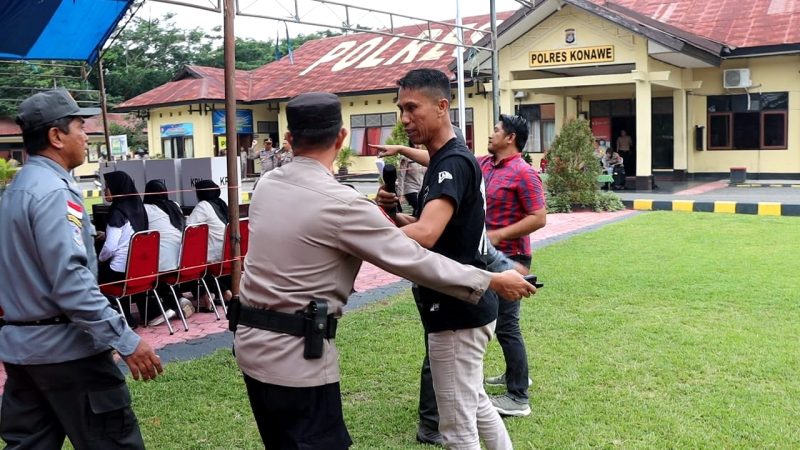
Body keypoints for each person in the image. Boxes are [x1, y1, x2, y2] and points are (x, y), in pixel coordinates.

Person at [231, 91, 536, 450]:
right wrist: (490, 280)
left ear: (288, 138)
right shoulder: (343, 204)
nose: (406, 118)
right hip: (296, 360)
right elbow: (413, 257)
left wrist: (383, 219)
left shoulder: (266, 185)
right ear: (342, 137)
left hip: (249, 346)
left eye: (411, 108)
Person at [0, 89, 162, 449]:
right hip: (69, 353)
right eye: (80, 127)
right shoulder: (55, 193)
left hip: (23, 353)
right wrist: (125, 339)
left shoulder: (14, 192)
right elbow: (71, 282)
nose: (86, 136)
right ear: (56, 137)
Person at [375, 68, 516, 449]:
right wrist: (391, 215)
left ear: (441, 106)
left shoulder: (451, 162)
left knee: (456, 428)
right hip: (467, 304)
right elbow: (431, 230)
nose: (405, 118)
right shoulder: (445, 160)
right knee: (476, 402)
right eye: (401, 109)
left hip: (457, 311)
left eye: (412, 108)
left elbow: (425, 234)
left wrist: (361, 236)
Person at [479, 114, 547, 417]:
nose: (490, 134)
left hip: (511, 258)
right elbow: (443, 158)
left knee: (507, 325)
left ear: (510, 138)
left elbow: (539, 217)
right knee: (502, 324)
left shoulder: (524, 172)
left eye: (496, 130)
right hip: (489, 256)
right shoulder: (486, 164)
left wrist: (498, 234)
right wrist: (403, 150)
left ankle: (518, 397)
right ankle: (513, 374)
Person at [98, 171, 149, 327]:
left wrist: (98, 259)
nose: (104, 191)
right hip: (138, 268)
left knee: (97, 274)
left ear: (117, 188)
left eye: (108, 187)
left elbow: (110, 248)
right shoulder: (138, 207)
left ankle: (123, 318)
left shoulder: (117, 212)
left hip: (120, 271)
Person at [143, 179, 194, 324]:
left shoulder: (145, 209)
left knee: (146, 270)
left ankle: (166, 307)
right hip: (183, 258)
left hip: (163, 262)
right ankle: (179, 300)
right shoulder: (175, 205)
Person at [187, 179, 229, 307]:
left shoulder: (203, 205)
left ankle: (208, 295)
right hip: (227, 253)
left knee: (189, 263)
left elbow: (188, 227)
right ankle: (216, 293)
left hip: (214, 254)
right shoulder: (221, 203)